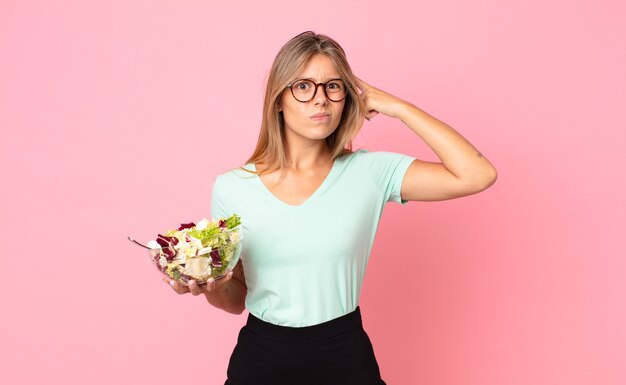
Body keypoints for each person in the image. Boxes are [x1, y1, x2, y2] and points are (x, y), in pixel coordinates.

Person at [163, 31, 497, 385]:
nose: (320, 100)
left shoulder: (370, 172)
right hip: (262, 358)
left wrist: (397, 107)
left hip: (344, 355)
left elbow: (478, 174)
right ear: (278, 100)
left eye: (333, 86)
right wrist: (206, 283)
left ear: (346, 97)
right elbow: (235, 301)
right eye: (303, 86)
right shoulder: (232, 187)